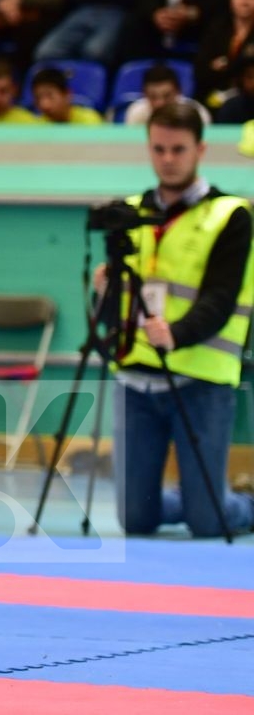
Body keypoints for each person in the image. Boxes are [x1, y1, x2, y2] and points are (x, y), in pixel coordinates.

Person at [107, 103, 254, 538]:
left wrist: (178, 334)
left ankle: (239, 502)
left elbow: (221, 298)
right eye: (159, 149)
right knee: (135, 519)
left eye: (178, 149)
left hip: (202, 378)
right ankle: (194, 495)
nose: (168, 159)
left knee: (208, 523)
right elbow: (128, 297)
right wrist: (106, 292)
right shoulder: (129, 212)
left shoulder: (231, 215)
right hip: (137, 378)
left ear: (200, 149)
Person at [121, 62, 214, 125]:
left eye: (167, 96)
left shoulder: (197, 114)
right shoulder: (136, 114)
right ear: (144, 94)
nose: (160, 103)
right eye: (153, 97)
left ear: (179, 92)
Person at [30, 66, 104, 124]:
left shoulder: (89, 120)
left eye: (50, 96)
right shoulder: (37, 126)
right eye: (38, 98)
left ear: (67, 94)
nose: (44, 104)